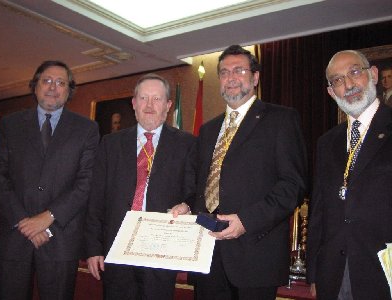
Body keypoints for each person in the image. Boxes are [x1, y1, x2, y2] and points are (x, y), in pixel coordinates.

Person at [192, 45, 307, 300]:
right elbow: (201, 184)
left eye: (239, 70)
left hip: (255, 256)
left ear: (255, 78)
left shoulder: (281, 120)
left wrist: (246, 221)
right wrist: (185, 205)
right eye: (224, 72)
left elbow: (293, 185)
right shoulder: (208, 130)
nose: (230, 78)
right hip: (206, 255)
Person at [0, 60, 99, 299]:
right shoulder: (10, 125)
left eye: (61, 82)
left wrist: (47, 217)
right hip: (14, 238)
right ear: (35, 86)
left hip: (61, 240)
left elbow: (85, 183)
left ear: (69, 90)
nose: (53, 87)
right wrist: (24, 221)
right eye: (47, 81)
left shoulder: (87, 129)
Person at [84, 73, 196, 300]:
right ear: (134, 104)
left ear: (168, 105)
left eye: (157, 99)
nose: (149, 105)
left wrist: (188, 205)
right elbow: (96, 199)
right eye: (143, 98)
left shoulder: (187, 144)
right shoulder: (109, 144)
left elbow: (195, 192)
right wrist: (93, 247)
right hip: (116, 248)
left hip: (161, 250)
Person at [306, 50, 392, 299]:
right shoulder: (326, 142)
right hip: (333, 272)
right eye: (338, 80)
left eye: (355, 72)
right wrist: (314, 272)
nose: (348, 84)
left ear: (373, 74)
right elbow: (319, 212)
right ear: (331, 92)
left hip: (382, 271)